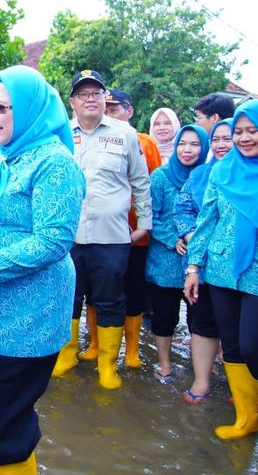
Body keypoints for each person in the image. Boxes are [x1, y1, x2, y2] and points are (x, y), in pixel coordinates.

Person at [0, 65, 84, 474]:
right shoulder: (3, 157)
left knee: (4, 418)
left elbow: (53, 241)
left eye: (3, 108)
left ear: (30, 109)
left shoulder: (54, 162)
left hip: (28, 311)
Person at [185, 99, 258, 463]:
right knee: (231, 346)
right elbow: (207, 218)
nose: (245, 139)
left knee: (256, 348)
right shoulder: (223, 170)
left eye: (253, 132)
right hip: (220, 270)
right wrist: (193, 266)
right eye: (239, 133)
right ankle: (246, 418)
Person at [61, 70, 151, 389]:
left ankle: (107, 365)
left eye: (96, 93)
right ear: (71, 101)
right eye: (83, 94)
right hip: (66, 234)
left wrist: (144, 224)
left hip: (111, 235)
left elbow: (140, 181)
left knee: (110, 298)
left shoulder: (124, 133)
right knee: (68, 296)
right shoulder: (59, 134)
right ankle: (67, 354)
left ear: (104, 99)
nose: (90, 99)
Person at [96, 88, 162, 372]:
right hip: (102, 235)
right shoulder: (93, 137)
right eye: (105, 107)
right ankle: (96, 345)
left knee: (134, 292)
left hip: (135, 235)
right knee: (101, 290)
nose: (109, 112)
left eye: (114, 108)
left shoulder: (144, 142)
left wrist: (146, 225)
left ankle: (132, 350)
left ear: (130, 111)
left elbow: (153, 185)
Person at [174, 119, 232, 404]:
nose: (222, 145)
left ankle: (241, 387)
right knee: (202, 320)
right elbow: (182, 209)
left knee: (239, 328)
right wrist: (190, 232)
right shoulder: (199, 175)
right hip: (201, 264)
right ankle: (201, 381)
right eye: (217, 139)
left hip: (242, 269)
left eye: (228, 138)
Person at [146, 124, 210, 382]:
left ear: (204, 147)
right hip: (166, 259)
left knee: (201, 316)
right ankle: (164, 363)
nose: (187, 150)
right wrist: (173, 239)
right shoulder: (160, 177)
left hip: (200, 259)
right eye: (182, 143)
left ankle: (202, 367)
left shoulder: (210, 177)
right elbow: (151, 214)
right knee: (165, 314)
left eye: (195, 144)